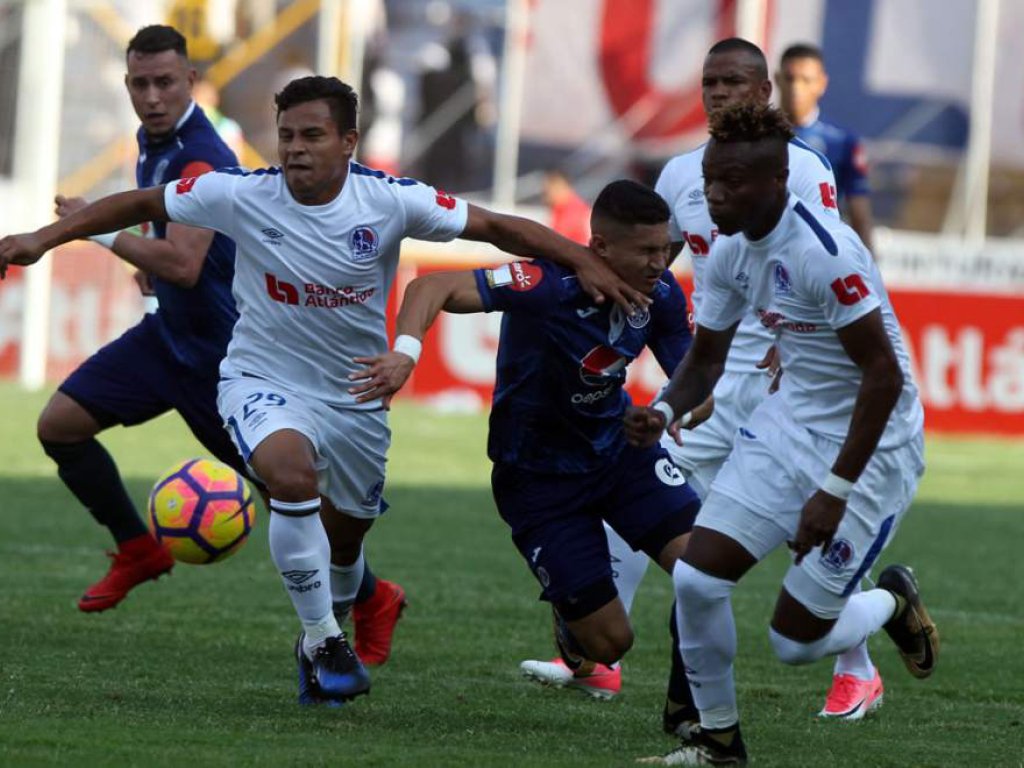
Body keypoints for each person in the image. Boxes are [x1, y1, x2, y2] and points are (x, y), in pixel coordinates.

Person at [0, 76, 647, 705]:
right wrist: (41, 239)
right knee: (289, 476)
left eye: (312, 135)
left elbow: (498, 227)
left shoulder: (390, 200)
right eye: (286, 135)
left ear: (348, 142)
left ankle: (328, 631)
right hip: (262, 379)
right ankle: (324, 639)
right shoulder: (242, 193)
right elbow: (142, 204)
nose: (295, 148)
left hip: (355, 397)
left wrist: (580, 258)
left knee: (345, 541)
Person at [19, 25, 406, 673]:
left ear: (191, 82)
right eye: (140, 83)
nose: (152, 96)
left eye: (164, 82)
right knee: (59, 426)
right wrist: (146, 255)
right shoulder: (155, 141)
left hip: (220, 360)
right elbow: (175, 249)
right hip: (166, 338)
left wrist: (96, 232)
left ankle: (372, 599)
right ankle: (138, 549)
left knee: (296, 500)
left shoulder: (201, 154)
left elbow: (184, 263)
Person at [519, 37, 873, 728]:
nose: (719, 93)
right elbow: (649, 262)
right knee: (640, 499)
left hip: (786, 383)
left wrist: (806, 345)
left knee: (810, 529)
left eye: (734, 82)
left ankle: (857, 666)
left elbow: (830, 262)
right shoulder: (684, 173)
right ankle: (598, 661)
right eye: (710, 82)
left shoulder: (802, 168)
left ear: (763, 92)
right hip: (709, 379)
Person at [630, 102, 937, 766]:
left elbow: (883, 377)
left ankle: (890, 601)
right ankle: (718, 742)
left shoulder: (825, 253)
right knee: (696, 580)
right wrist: (663, 410)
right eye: (710, 180)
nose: (713, 195)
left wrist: (833, 491)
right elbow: (706, 359)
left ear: (776, 183)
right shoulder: (731, 251)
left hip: (873, 448)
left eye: (730, 183)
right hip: (785, 427)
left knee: (794, 643)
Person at [353, 179, 702, 705]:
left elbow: (696, 383)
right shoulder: (546, 284)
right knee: (611, 643)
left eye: (664, 249)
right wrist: (406, 351)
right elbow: (431, 288)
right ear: (601, 247)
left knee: (703, 569)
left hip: (619, 455)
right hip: (537, 481)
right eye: (646, 251)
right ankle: (572, 624)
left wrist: (667, 412)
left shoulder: (663, 295)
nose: (660, 263)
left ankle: (697, 710)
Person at [776, 43, 875, 252]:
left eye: (806, 80)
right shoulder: (753, 137)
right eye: (790, 78)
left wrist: (868, 262)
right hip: (763, 252)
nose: (796, 88)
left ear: (821, 84)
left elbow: (859, 212)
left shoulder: (843, 142)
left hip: (816, 254)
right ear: (777, 79)